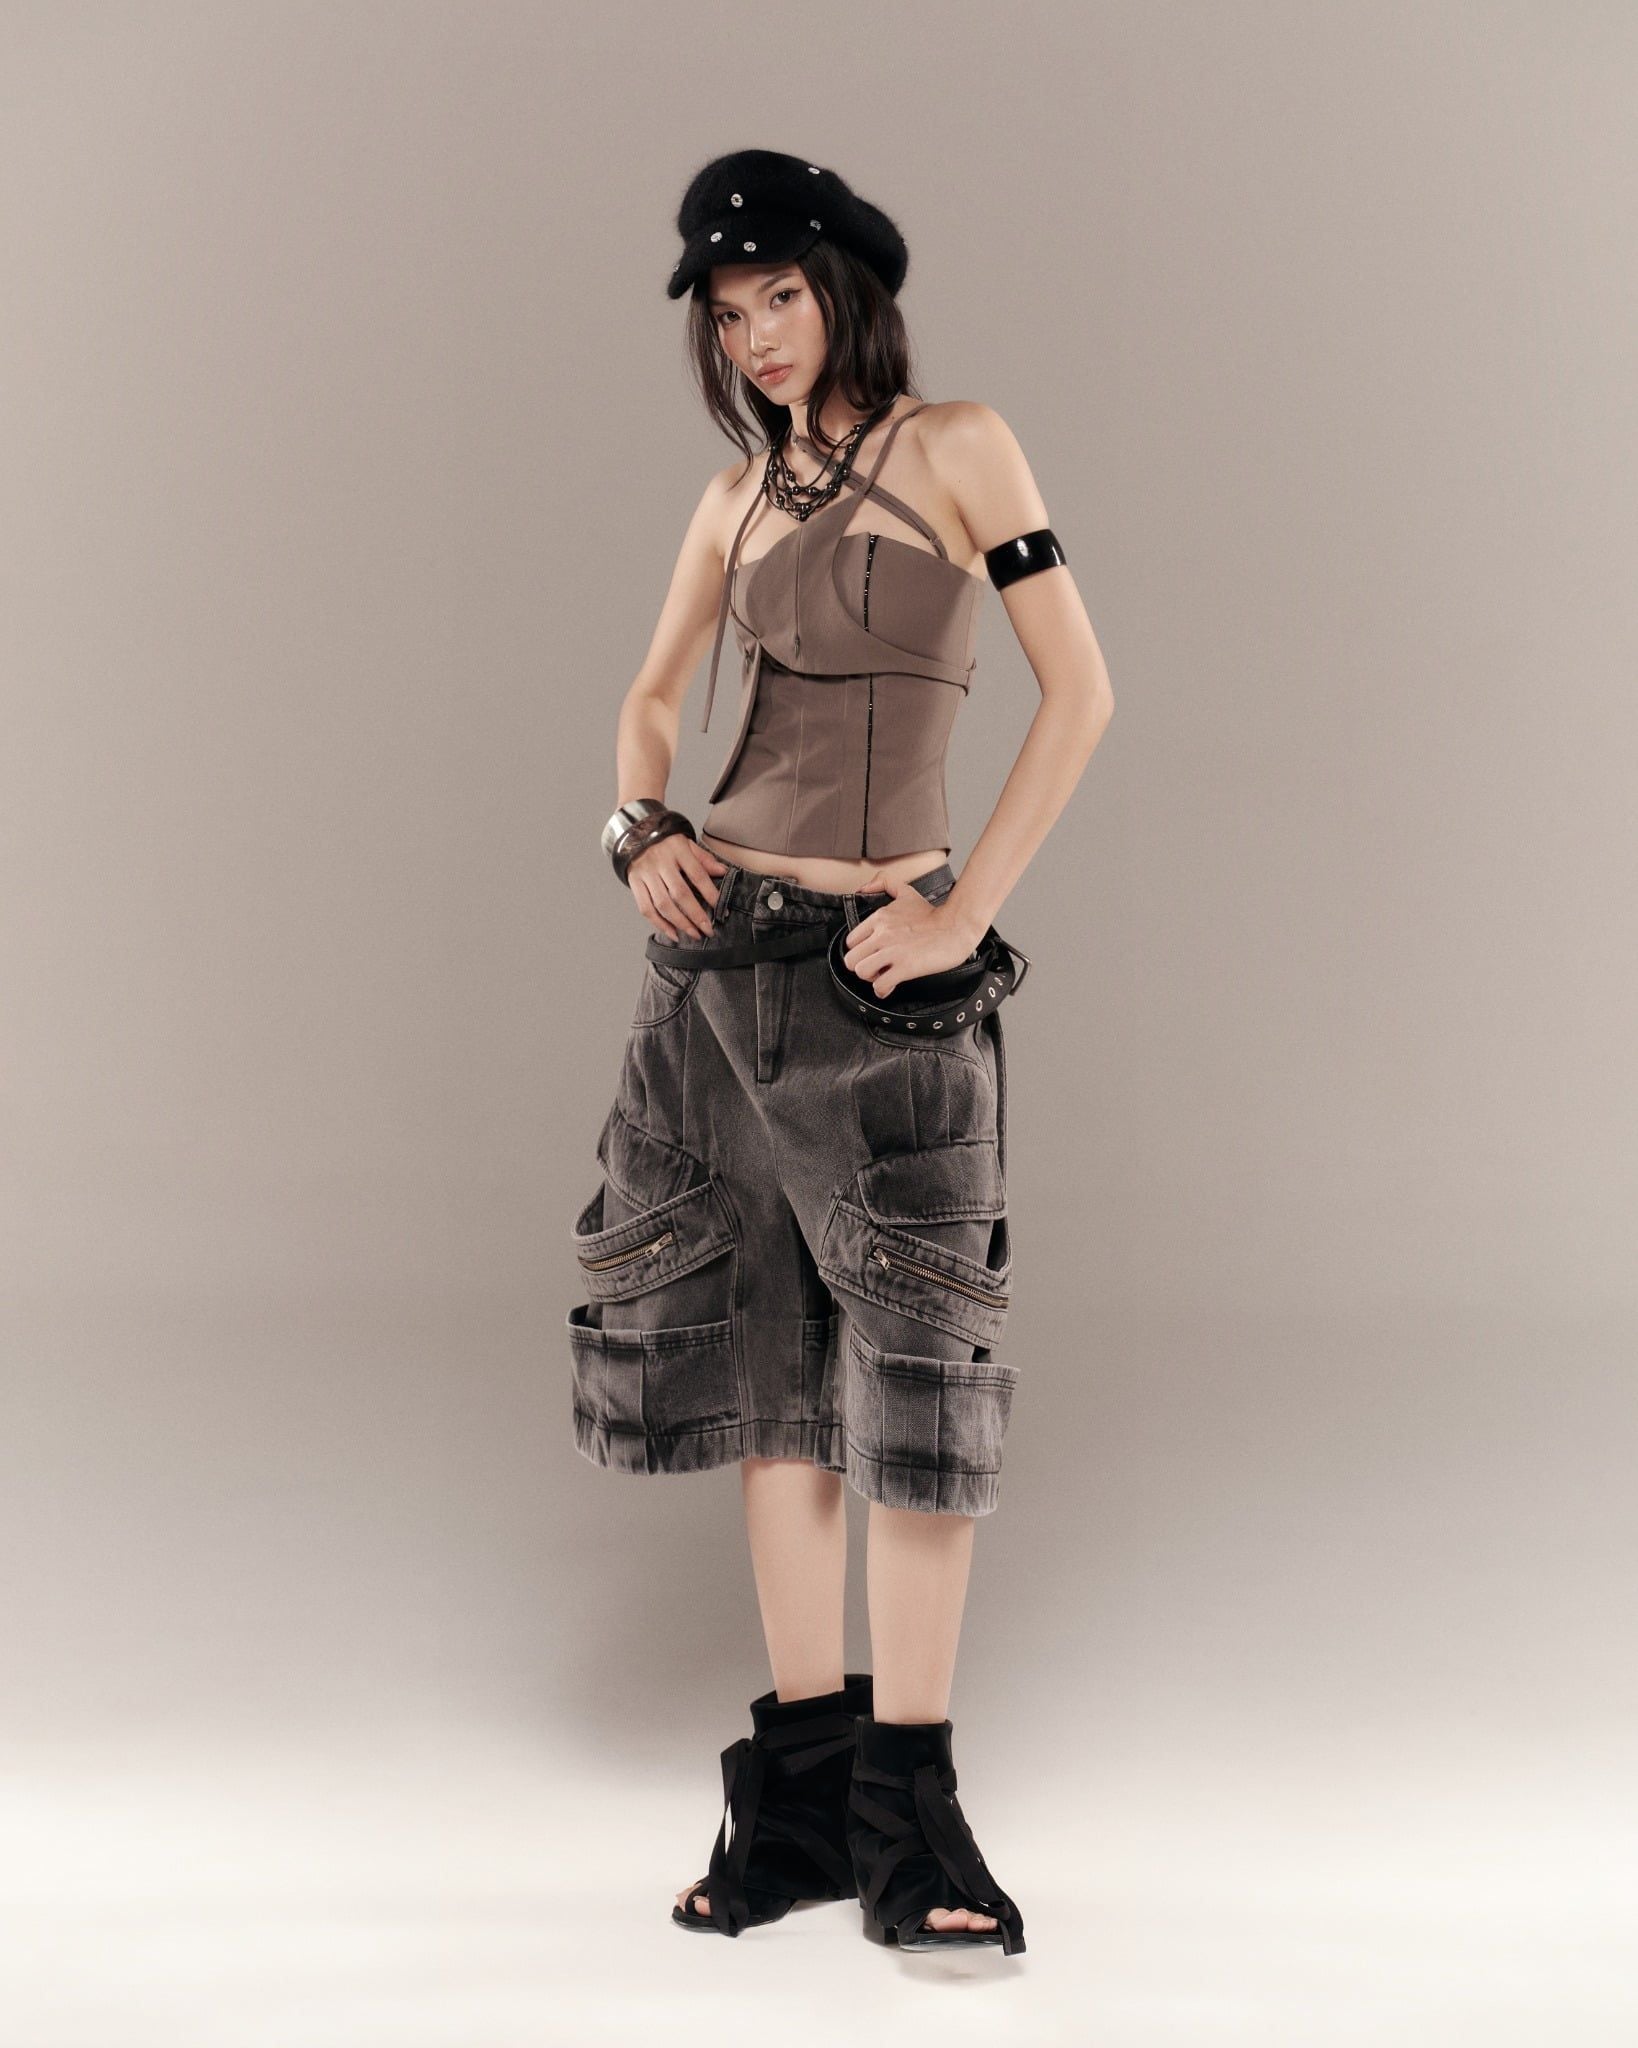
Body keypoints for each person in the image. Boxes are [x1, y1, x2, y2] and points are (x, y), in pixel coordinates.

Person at [568, 149, 1114, 1954]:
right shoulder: (731, 498)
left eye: (779, 297)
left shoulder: (960, 446)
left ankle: (913, 1819)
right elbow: (651, 696)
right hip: (717, 975)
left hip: (887, 981)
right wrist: (639, 829)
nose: (756, 337)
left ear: (846, 289)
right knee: (769, 1385)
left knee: (916, 1388)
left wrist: (962, 911)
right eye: (728, 315)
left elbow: (1081, 692)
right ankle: (799, 1803)